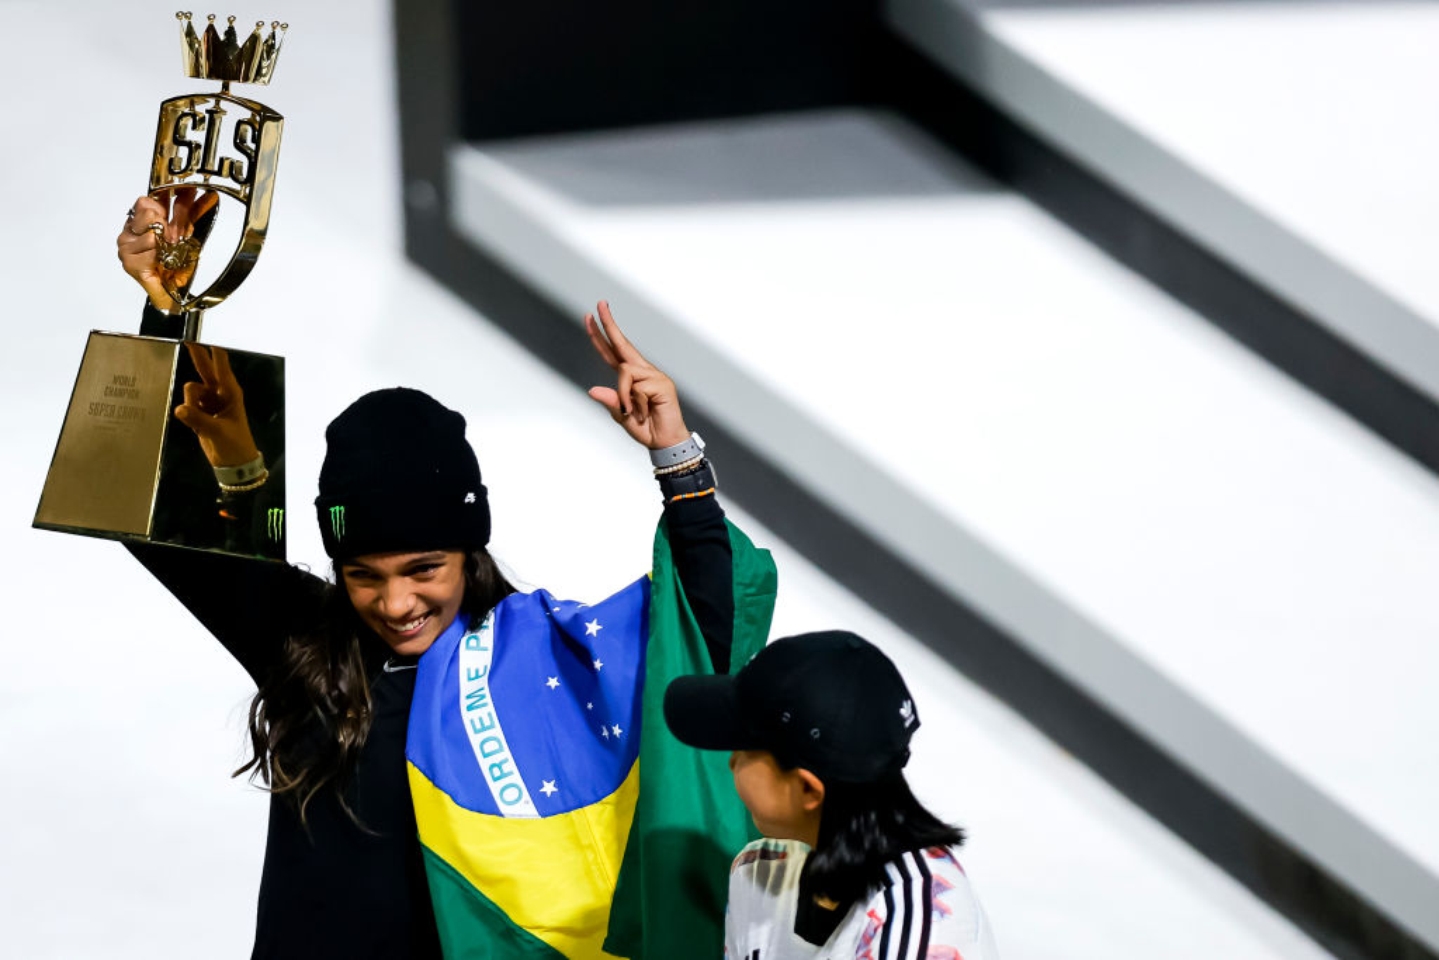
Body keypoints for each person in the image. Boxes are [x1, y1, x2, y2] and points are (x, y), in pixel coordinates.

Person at [113, 194, 776, 959]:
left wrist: (677, 460)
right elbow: (162, 521)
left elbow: (704, 629)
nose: (395, 604)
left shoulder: (551, 658)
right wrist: (167, 309)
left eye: (423, 568)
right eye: (362, 575)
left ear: (470, 550)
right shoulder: (308, 648)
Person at [664, 631, 1000, 959]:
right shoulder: (757, 875)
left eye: (745, 745)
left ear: (807, 789)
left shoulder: (922, 934)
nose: (732, 759)